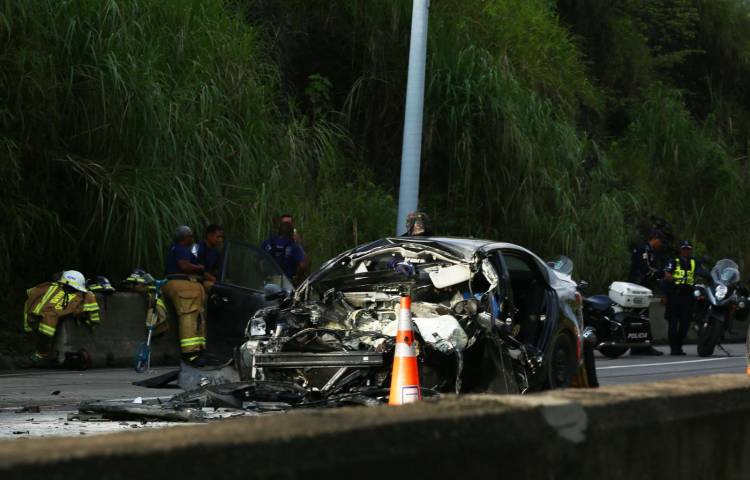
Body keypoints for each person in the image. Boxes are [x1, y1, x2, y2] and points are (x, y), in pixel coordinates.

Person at [23, 270, 100, 367]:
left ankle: (42, 355)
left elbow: (30, 293)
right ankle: (42, 354)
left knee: (47, 327)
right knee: (47, 327)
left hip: (39, 323)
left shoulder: (81, 295)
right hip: (38, 322)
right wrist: (90, 321)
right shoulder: (54, 289)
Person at [162, 225, 210, 366]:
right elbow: (184, 266)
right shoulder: (181, 249)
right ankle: (191, 354)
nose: (192, 239)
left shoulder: (176, 249)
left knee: (197, 318)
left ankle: (199, 350)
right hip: (182, 284)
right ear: (185, 238)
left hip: (182, 285)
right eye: (191, 236)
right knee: (188, 316)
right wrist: (200, 268)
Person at [627, 230, 665, 356]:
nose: (661, 244)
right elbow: (645, 269)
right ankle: (643, 345)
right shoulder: (643, 249)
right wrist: (662, 274)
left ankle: (639, 345)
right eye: (660, 241)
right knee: (641, 315)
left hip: (644, 287)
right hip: (638, 286)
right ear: (654, 238)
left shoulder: (652, 252)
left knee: (642, 315)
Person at [662, 240, 703, 356]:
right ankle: (674, 349)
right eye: (684, 248)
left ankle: (679, 346)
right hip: (674, 295)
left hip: (688, 296)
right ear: (680, 250)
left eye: (688, 248)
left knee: (685, 324)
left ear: (691, 250)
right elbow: (667, 275)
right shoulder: (673, 261)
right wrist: (671, 283)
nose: (686, 251)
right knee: (673, 324)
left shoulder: (695, 262)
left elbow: (703, 273)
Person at [262, 214, 308, 285]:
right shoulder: (293, 246)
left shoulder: (268, 242)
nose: (286, 226)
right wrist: (297, 278)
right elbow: (303, 264)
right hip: (286, 283)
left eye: (288, 223)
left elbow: (256, 259)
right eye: (285, 223)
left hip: (270, 282)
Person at [196, 224, 225, 289]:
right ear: (209, 236)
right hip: (198, 279)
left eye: (222, 237)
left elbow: (217, 269)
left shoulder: (216, 252)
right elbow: (199, 270)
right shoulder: (198, 248)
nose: (220, 240)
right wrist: (216, 280)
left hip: (210, 279)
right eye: (218, 237)